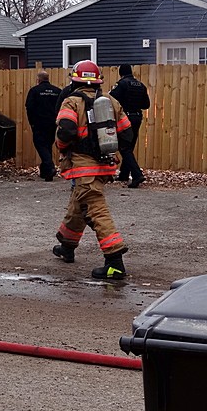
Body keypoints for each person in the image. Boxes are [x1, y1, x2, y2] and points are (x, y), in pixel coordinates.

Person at [51, 60, 134, 280]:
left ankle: (115, 262)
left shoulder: (71, 102)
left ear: (74, 80)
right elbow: (127, 134)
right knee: (79, 204)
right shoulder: (111, 102)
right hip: (104, 164)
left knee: (96, 209)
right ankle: (67, 247)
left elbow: (66, 131)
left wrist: (62, 148)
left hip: (82, 166)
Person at [109, 64, 150, 188]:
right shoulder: (141, 85)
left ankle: (137, 175)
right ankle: (124, 174)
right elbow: (146, 105)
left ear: (121, 73)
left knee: (124, 147)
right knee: (129, 146)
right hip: (137, 117)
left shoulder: (121, 84)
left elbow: (111, 98)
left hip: (125, 118)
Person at [25, 70, 62, 181]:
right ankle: (46, 173)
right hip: (53, 123)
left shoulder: (34, 91)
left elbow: (29, 107)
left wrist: (32, 122)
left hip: (39, 123)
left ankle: (50, 167)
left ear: (38, 80)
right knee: (47, 146)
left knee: (40, 145)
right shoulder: (57, 91)